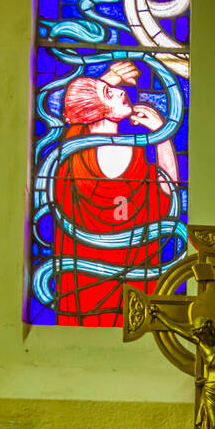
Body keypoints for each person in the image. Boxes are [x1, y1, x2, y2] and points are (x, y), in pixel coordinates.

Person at [50, 59, 180, 324]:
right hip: (87, 271)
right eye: (109, 94)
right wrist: (106, 79)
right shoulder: (73, 156)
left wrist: (161, 135)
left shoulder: (135, 151)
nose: (122, 92)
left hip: (136, 263)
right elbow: (75, 116)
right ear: (93, 111)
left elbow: (167, 192)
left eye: (114, 90)